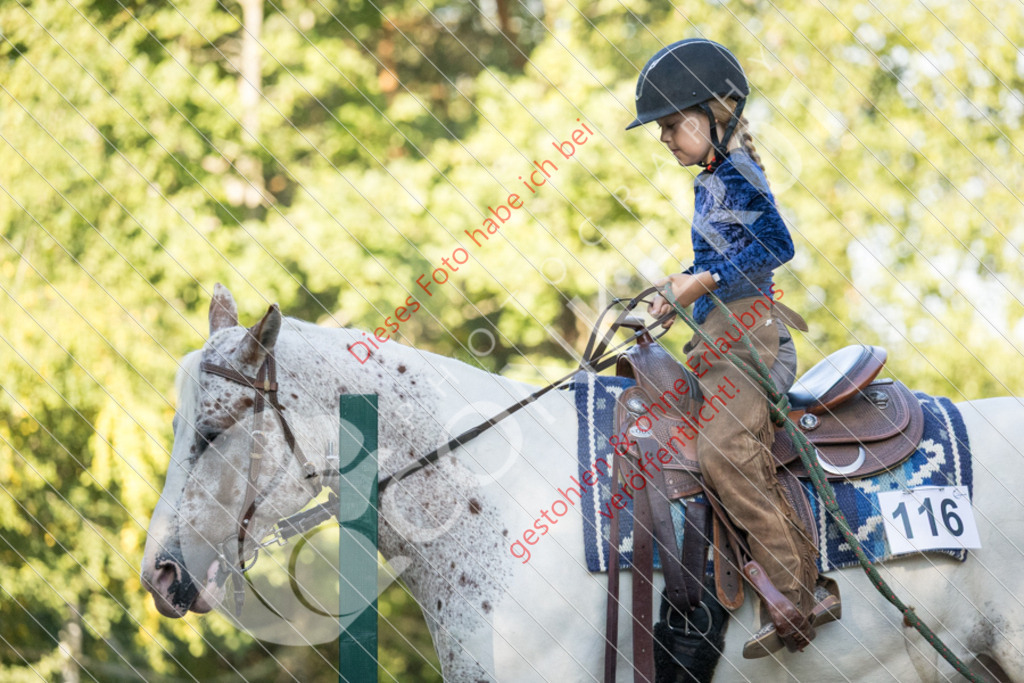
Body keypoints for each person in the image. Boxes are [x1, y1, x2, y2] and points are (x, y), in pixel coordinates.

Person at [627, 38, 840, 658]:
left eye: (670, 125)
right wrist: (675, 297)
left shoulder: (740, 173)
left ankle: (803, 593)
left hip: (748, 339)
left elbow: (776, 245)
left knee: (721, 449)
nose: (664, 138)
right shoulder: (708, 183)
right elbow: (709, 259)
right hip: (715, 335)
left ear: (713, 114)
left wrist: (709, 280)